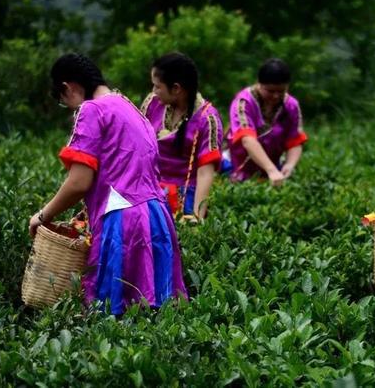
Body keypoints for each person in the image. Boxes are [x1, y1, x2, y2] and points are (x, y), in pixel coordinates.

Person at [28, 53, 187, 314]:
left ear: (67, 87)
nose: (67, 107)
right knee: (157, 316)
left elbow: (79, 182)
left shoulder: (92, 110)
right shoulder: (129, 107)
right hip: (157, 220)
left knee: (112, 317)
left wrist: (42, 216)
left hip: (123, 223)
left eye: (61, 99)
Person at [140, 53, 223, 220]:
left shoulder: (208, 118)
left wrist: (197, 216)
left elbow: (205, 173)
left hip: (184, 199)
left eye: (157, 86)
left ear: (176, 89)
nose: (154, 92)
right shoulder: (152, 103)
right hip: (148, 193)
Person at [224, 58, 308, 186]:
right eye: (270, 91)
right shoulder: (243, 102)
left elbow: (295, 140)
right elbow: (247, 139)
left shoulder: (291, 105)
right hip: (236, 166)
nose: (275, 96)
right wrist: (272, 170)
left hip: (271, 169)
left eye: (281, 91)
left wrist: (290, 165)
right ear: (259, 84)